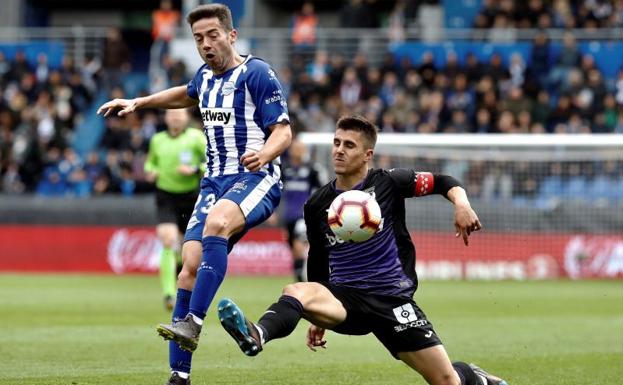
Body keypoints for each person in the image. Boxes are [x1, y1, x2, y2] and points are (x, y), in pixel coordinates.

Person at [216, 116, 507, 385]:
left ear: (367, 154)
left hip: (391, 300)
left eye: (349, 145)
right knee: (296, 291)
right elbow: (318, 261)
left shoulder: (389, 183)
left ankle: (475, 377)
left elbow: (444, 182)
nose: (339, 151)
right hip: (347, 300)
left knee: (447, 381)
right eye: (336, 143)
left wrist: (462, 204)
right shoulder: (317, 204)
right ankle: (258, 334)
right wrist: (316, 315)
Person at [97, 4, 292, 385]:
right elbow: (185, 94)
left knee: (217, 223)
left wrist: (264, 154)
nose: (206, 44)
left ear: (231, 35)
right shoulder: (204, 77)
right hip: (214, 182)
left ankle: (193, 323)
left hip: (256, 177)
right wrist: (139, 102)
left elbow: (284, 131)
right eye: (199, 38)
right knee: (188, 266)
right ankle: (178, 376)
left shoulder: (257, 73)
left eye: (213, 35)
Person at [143, 108, 206, 311]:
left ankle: (181, 271)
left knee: (189, 248)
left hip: (191, 196)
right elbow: (150, 163)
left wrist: (195, 170)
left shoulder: (197, 138)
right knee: (168, 240)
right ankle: (169, 294)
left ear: (187, 117)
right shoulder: (157, 140)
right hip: (166, 195)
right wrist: (151, 171)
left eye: (179, 115)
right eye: (171, 115)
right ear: (166, 119)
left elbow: (213, 163)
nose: (175, 118)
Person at [281, 138, 326, 282]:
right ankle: (299, 278)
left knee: (298, 245)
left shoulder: (312, 169)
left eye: (300, 148)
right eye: (295, 148)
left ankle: (303, 281)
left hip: (304, 215)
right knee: (294, 250)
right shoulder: (285, 168)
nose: (297, 151)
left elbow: (323, 189)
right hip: (289, 215)